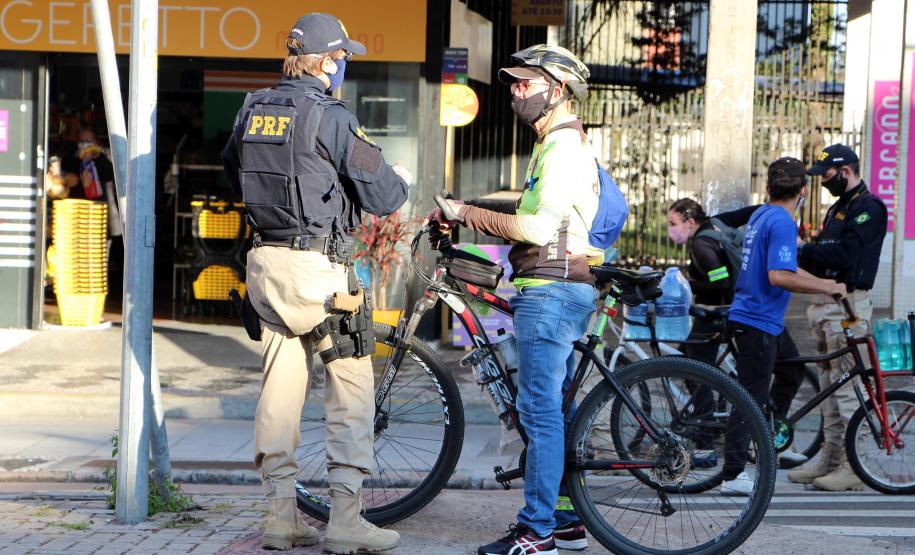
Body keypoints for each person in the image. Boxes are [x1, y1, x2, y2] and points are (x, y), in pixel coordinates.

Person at [221, 12, 409, 553]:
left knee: (278, 395)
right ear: (327, 62)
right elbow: (386, 197)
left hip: (267, 270)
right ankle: (346, 520)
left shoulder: (253, 109)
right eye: (343, 58)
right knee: (350, 391)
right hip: (322, 275)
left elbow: (234, 171)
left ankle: (281, 518)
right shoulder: (330, 117)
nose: (343, 67)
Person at [432, 44, 601, 555]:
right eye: (513, 83)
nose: (515, 91)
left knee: (540, 412)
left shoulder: (562, 148)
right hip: (554, 288)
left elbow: (535, 226)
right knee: (554, 412)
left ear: (559, 89)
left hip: (550, 292)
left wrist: (466, 212)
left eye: (525, 83)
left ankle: (536, 532)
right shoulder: (554, 144)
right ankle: (566, 519)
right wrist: (472, 209)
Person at [720, 157, 846, 496]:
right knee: (749, 397)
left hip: (766, 320)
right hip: (756, 321)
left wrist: (823, 283)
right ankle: (732, 474)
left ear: (768, 188)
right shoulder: (783, 223)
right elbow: (779, 276)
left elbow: (784, 268)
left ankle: (771, 439)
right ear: (804, 192)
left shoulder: (763, 213)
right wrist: (826, 287)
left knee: (791, 372)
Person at [666, 199, 809, 467]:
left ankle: (705, 445)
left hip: (716, 314)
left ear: (690, 222)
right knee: (701, 366)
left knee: (695, 373)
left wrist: (687, 282)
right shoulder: (719, 223)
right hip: (737, 310)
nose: (670, 230)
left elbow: (721, 281)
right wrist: (779, 200)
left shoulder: (701, 244)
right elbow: (748, 211)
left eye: (673, 224)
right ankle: (763, 432)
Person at [788, 144, 888, 492]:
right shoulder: (839, 209)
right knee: (830, 389)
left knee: (849, 388)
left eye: (828, 176)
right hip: (824, 305)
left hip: (848, 306)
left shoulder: (869, 208)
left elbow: (847, 254)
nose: (824, 182)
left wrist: (805, 250)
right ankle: (830, 457)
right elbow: (821, 257)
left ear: (845, 171)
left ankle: (853, 464)